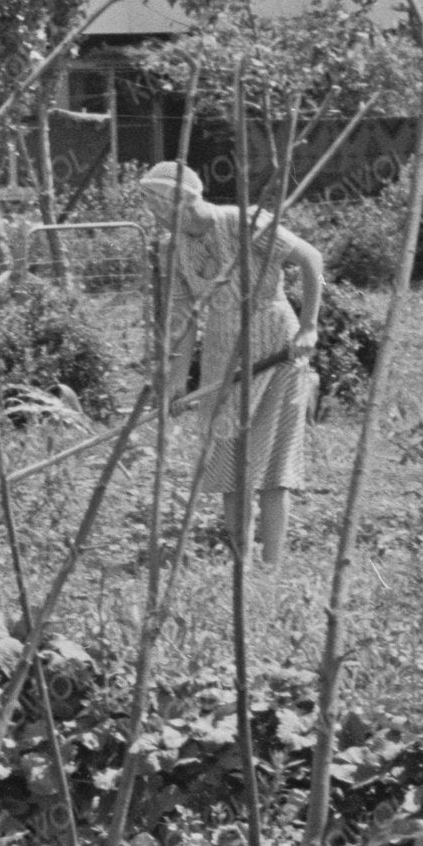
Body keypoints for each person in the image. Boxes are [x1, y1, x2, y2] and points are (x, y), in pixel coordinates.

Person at [134, 162, 325, 557]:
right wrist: (177, 383)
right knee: (226, 464)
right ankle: (242, 562)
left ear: (182, 201)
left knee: (272, 466)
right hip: (222, 356)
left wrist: (309, 327)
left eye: (157, 205)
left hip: (277, 349)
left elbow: (310, 260)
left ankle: (271, 564)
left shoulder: (243, 223)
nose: (154, 215)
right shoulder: (172, 247)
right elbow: (183, 321)